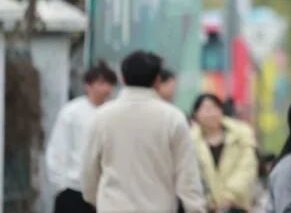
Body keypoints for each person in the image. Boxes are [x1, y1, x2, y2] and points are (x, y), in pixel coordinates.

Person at [80, 50, 205, 213]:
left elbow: (89, 170)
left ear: (123, 78)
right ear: (157, 80)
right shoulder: (173, 118)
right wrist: (195, 208)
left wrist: (96, 199)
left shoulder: (102, 116)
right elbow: (187, 176)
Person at [46, 61, 117, 213]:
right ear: (88, 85)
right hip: (74, 188)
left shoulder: (114, 113)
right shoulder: (72, 112)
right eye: (101, 83)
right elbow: (59, 148)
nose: (106, 88)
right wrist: (60, 185)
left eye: (109, 84)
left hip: (106, 190)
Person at [191, 93, 258, 213]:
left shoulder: (242, 134)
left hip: (236, 206)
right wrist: (208, 201)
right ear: (196, 114)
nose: (211, 113)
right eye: (206, 109)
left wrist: (229, 197)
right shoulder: (189, 140)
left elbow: (246, 168)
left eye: (214, 107)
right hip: (203, 208)